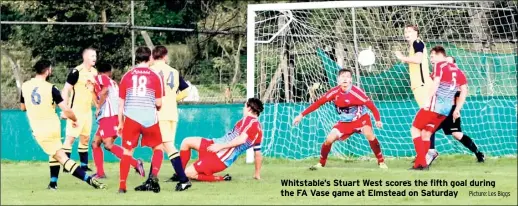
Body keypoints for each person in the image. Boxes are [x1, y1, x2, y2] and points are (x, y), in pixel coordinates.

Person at [20, 59, 105, 190]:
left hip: (40, 129)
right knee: (54, 153)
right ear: (48, 71)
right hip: (53, 127)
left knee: (61, 157)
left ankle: (89, 180)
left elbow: (23, 107)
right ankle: (53, 183)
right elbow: (66, 109)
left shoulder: (25, 86)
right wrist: (74, 119)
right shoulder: (51, 88)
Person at [292, 68, 387, 170]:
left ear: (351, 80)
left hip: (361, 119)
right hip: (344, 122)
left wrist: (378, 120)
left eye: (347, 77)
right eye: (342, 76)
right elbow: (318, 103)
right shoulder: (334, 92)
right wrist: (301, 115)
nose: (345, 79)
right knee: (329, 139)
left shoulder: (357, 93)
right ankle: (321, 163)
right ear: (338, 79)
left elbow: (372, 107)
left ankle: (381, 161)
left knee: (369, 134)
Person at [136, 45, 192, 190]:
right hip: (172, 114)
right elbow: (186, 91)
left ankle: (184, 180)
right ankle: (150, 181)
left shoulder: (151, 71)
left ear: (152, 57)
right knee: (158, 148)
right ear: (165, 56)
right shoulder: (174, 71)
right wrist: (174, 99)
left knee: (167, 146)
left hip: (158, 114)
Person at [172, 98, 264, 182]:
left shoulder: (249, 121)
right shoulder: (258, 129)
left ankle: (222, 178)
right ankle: (179, 175)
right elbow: (258, 153)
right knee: (186, 142)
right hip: (215, 144)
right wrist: (257, 174)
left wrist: (220, 146)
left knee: (189, 173)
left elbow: (241, 140)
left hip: (220, 157)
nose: (243, 108)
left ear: (248, 108)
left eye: (244, 106)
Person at [410, 46, 468, 170]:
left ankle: (420, 163)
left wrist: (428, 100)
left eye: (432, 56)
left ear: (438, 55)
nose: (431, 59)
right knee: (426, 134)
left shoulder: (440, 65)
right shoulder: (459, 71)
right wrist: (457, 109)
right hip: (446, 111)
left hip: (434, 106)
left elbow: (436, 84)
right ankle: (422, 163)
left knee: (415, 129)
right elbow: (464, 91)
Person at [91, 63, 145, 178]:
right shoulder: (114, 83)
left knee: (108, 145)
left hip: (109, 117)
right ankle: (100, 173)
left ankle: (136, 163)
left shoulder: (101, 78)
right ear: (110, 72)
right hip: (113, 116)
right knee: (96, 143)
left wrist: (98, 107)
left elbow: (104, 92)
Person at [428, 56, 485, 164]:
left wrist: (457, 109)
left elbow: (461, 93)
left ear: (454, 65)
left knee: (457, 134)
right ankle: (429, 155)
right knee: (429, 129)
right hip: (439, 110)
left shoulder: (457, 76)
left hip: (451, 111)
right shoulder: (439, 74)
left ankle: (478, 153)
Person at [394, 25, 439, 162]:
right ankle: (428, 151)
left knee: (427, 120)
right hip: (419, 87)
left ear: (416, 33)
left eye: (410, 31)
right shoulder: (413, 46)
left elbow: (418, 59)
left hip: (423, 86)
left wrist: (402, 57)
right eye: (405, 31)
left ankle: (429, 151)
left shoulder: (417, 43)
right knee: (428, 119)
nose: (407, 33)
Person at [61, 47, 98, 172]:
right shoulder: (76, 71)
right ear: (85, 57)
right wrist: (65, 109)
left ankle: (84, 165)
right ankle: (66, 165)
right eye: (92, 56)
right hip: (75, 111)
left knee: (85, 138)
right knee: (70, 138)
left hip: (87, 111)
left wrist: (97, 107)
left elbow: (94, 91)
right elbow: (66, 89)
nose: (95, 58)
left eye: (95, 56)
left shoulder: (94, 72)